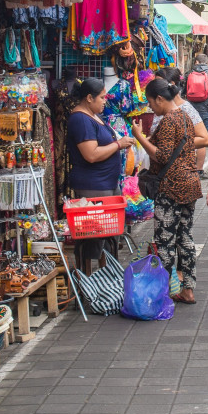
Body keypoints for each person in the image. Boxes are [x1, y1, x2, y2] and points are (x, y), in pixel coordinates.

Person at [133, 79, 202, 303]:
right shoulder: (184, 116)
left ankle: (162, 291)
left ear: (160, 99)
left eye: (151, 103)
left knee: (164, 240)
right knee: (185, 237)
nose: (151, 108)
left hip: (171, 185)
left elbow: (161, 156)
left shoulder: (169, 119)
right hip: (189, 183)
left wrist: (139, 136)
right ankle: (188, 288)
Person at [67, 77, 132, 272]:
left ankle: (107, 275)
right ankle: (90, 278)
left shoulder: (94, 115)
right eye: (102, 97)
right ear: (89, 98)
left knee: (108, 234)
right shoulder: (80, 119)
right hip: (93, 184)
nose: (105, 101)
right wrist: (118, 145)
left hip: (106, 183)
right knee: (94, 234)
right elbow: (91, 155)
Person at [157, 66, 208, 173]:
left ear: (171, 84)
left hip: (179, 171)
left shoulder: (186, 109)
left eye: (158, 83)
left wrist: (172, 145)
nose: (155, 87)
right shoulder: (159, 105)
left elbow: (204, 139)